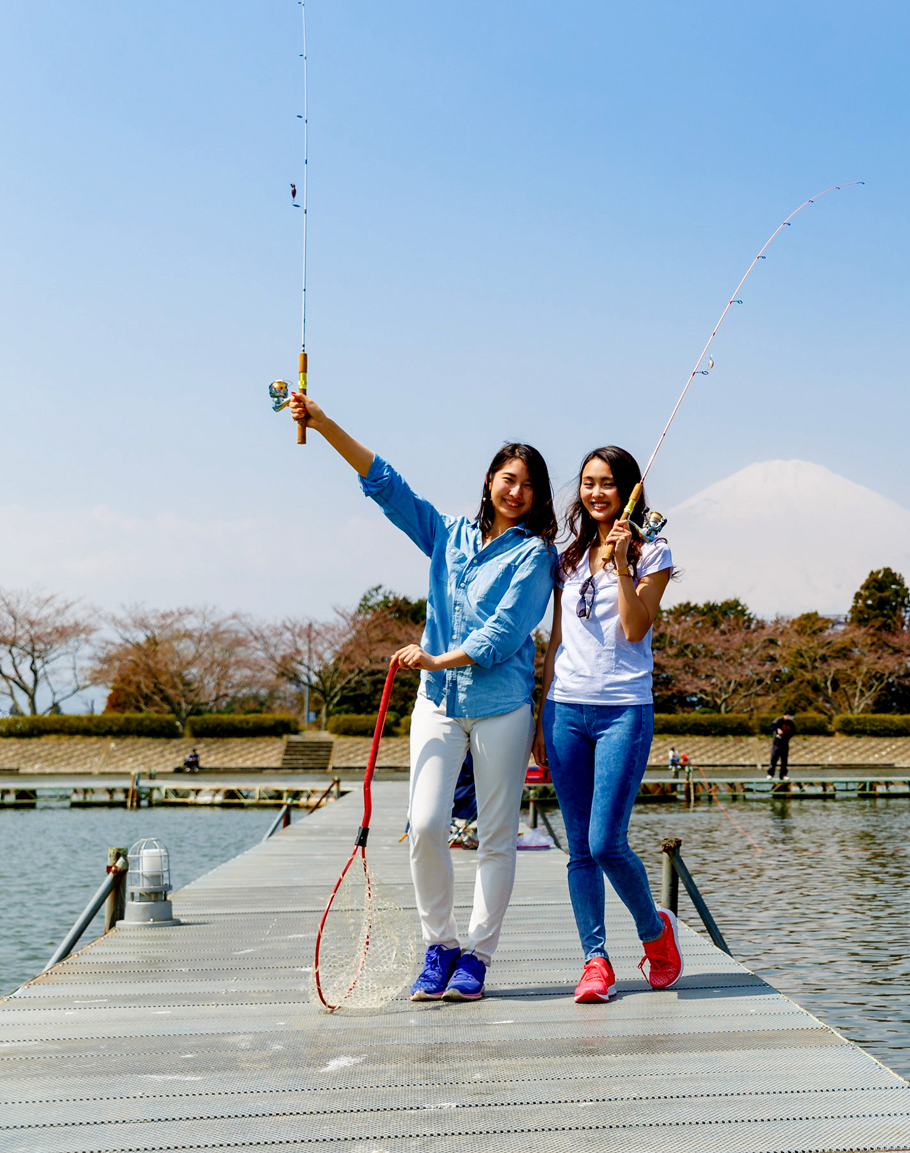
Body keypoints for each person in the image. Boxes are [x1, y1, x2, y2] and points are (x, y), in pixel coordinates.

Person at [289, 391, 556, 1003]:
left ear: (537, 497)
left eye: (528, 485)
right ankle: (441, 945)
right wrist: (323, 421)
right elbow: (387, 485)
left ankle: (478, 958)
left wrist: (438, 655)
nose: (515, 491)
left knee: (496, 836)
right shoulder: (449, 534)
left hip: (502, 707)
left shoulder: (534, 555)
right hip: (437, 701)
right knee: (428, 822)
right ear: (489, 480)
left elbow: (504, 633)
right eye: (507, 479)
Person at [540, 446, 681, 1005]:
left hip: (624, 709)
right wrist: (538, 710)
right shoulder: (566, 556)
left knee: (605, 841)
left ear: (628, 491)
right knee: (578, 847)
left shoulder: (654, 552)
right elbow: (554, 637)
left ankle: (655, 931)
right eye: (588, 483)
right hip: (563, 709)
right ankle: (595, 960)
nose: (596, 493)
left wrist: (623, 565)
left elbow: (633, 627)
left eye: (607, 483)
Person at [767, 712, 795, 779]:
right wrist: (777, 729)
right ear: (786, 715)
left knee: (784, 761)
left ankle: (783, 775)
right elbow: (772, 725)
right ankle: (770, 774)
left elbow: (793, 732)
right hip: (777, 743)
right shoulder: (779, 720)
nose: (790, 717)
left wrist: (787, 737)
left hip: (785, 744)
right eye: (790, 716)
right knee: (774, 759)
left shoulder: (791, 723)